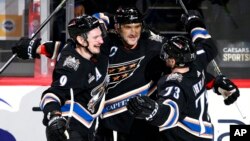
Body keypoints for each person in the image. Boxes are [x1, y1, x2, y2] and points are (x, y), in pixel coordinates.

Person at [11, 8, 239, 141]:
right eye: (127, 27)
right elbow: (73, 48)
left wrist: (215, 83)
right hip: (108, 125)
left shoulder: (154, 46)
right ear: (116, 28)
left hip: (144, 125)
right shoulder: (103, 43)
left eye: (137, 27)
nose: (133, 32)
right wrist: (36, 48)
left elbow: (184, 67)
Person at [126, 11, 239, 141]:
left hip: (184, 137)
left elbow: (171, 111)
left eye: (167, 55)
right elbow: (208, 45)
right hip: (206, 135)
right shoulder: (197, 62)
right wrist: (194, 22)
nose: (164, 58)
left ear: (173, 61)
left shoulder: (173, 83)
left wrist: (154, 111)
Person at [39, 15, 109, 141]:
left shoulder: (86, 47)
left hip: (91, 126)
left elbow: (60, 47)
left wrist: (35, 48)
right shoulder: (71, 67)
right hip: (72, 128)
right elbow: (51, 94)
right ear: (81, 40)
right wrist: (54, 115)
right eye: (96, 38)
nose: (101, 41)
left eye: (100, 35)